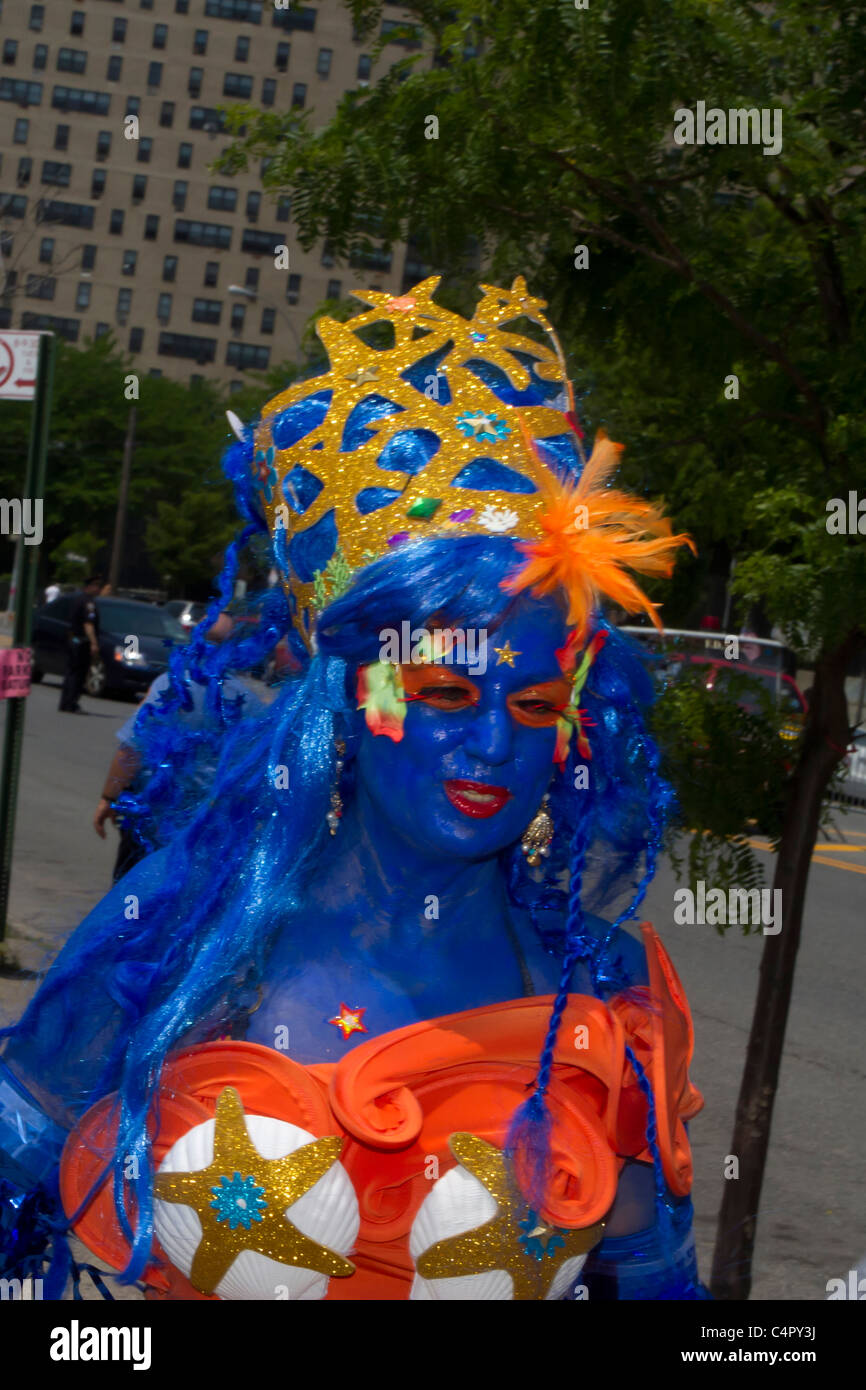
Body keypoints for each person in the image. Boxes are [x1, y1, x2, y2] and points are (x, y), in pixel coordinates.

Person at [0, 279, 704, 1302]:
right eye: (449, 690)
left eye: (532, 704)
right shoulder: (195, 933)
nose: (490, 743)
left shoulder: (601, 997)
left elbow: (659, 1291)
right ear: (363, 693)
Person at [94, 612, 268, 882]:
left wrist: (109, 798)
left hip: (153, 818)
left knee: (131, 897)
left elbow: (131, 750)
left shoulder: (168, 686)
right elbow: (257, 765)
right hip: (208, 825)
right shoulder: (246, 700)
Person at [58, 574, 101, 714]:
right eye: (96, 585)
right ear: (90, 586)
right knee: (79, 673)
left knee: (70, 672)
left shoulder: (77, 599)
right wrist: (94, 643)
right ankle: (72, 703)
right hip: (81, 641)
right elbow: (88, 624)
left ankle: (65, 702)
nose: (98, 589)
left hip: (72, 639)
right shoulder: (88, 603)